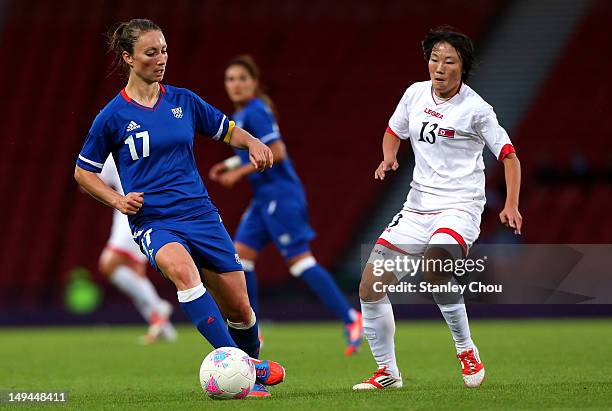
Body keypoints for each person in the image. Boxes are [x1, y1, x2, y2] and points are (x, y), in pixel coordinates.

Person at [74, 19, 284, 397]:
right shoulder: (112, 117)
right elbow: (83, 172)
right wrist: (118, 200)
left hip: (201, 214)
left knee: (240, 309)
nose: (161, 59)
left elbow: (226, 128)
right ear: (128, 58)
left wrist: (252, 141)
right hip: (155, 221)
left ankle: (247, 371)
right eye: (151, 52)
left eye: (164, 50)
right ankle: (247, 369)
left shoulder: (183, 101)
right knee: (184, 273)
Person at [352, 27, 522, 390]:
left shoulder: (476, 110)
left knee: (434, 269)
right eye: (434, 59)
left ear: (464, 67)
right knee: (370, 286)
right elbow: (392, 130)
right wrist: (389, 157)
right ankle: (388, 373)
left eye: (449, 61)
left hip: (460, 207)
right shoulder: (415, 94)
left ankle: (465, 349)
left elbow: (509, 157)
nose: (439, 67)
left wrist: (511, 204)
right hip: (417, 207)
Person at [209, 55, 363, 355]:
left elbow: (277, 151)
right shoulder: (240, 116)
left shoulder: (256, 111)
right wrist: (229, 163)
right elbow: (254, 150)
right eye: (230, 79)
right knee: (240, 258)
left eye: (242, 78)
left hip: (281, 195)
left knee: (299, 262)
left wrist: (237, 173)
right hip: (263, 199)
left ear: (253, 83)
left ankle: (351, 317)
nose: (236, 84)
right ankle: (253, 330)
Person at [98, 155, 177, 344]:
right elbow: (96, 181)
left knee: (109, 264)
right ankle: (164, 328)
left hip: (136, 214)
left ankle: (158, 308)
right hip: (128, 214)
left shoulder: (126, 150)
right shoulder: (112, 155)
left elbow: (92, 181)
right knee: (135, 273)